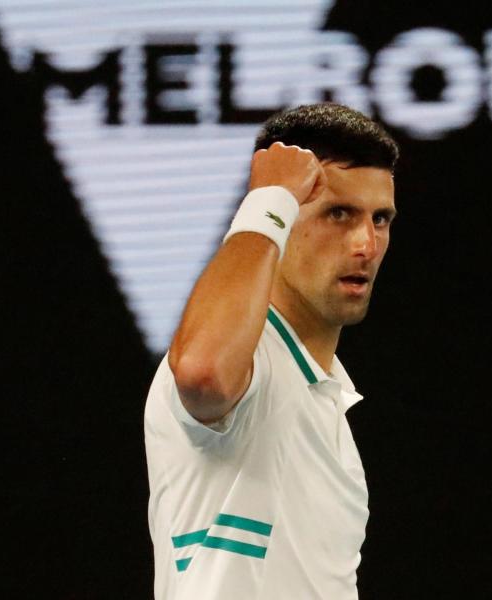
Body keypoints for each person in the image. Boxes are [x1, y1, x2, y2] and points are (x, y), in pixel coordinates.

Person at [144, 103, 399, 599]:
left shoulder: (328, 405)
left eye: (381, 218)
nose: (366, 243)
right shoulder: (251, 362)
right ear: (281, 217)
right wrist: (269, 197)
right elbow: (203, 373)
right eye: (338, 213)